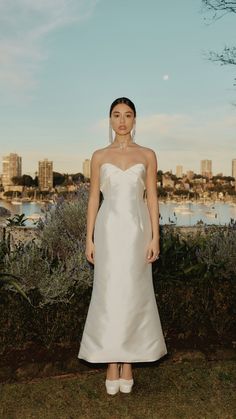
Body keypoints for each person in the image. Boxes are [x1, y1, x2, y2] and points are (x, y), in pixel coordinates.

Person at [78, 97, 167, 395]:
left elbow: (151, 198)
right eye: (117, 115)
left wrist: (156, 236)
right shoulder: (99, 156)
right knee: (108, 294)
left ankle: (127, 362)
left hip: (137, 232)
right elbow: (94, 199)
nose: (122, 121)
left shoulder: (148, 154)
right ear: (110, 119)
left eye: (128, 115)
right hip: (108, 231)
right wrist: (88, 237)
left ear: (135, 120)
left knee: (134, 294)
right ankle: (110, 361)